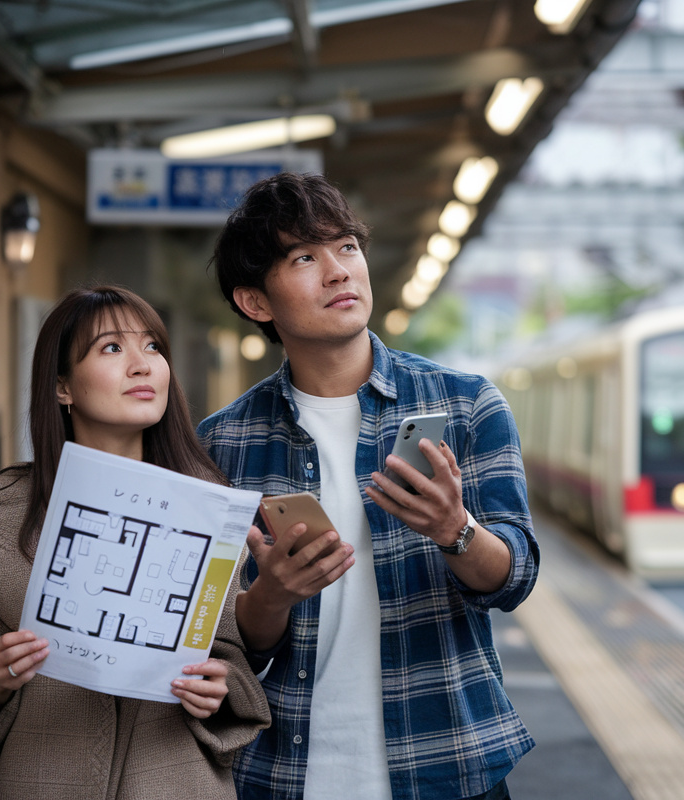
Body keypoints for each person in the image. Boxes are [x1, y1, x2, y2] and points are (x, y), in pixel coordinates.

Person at [197, 173, 539, 800]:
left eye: (346, 247)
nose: (338, 271)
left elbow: (515, 577)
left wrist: (454, 531)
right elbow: (218, 640)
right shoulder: (222, 443)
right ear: (256, 302)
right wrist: (270, 594)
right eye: (305, 257)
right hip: (281, 775)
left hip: (449, 765)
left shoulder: (466, 406)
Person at [0, 285, 270, 799]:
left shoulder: (207, 505)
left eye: (152, 347)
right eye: (112, 348)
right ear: (62, 387)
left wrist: (217, 688)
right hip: (35, 774)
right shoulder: (1, 508)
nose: (142, 365)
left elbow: (226, 647)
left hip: (172, 777)